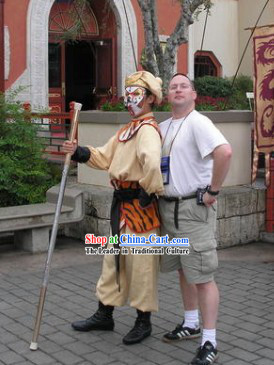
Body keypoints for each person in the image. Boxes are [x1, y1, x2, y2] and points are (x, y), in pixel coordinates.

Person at [62, 71, 164, 345]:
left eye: (137, 94)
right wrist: (79, 151)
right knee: (112, 260)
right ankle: (104, 314)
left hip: (140, 208)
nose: (131, 99)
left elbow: (153, 164)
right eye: (128, 94)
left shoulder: (147, 131)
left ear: (151, 99)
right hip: (121, 207)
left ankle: (144, 322)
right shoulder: (126, 130)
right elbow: (105, 156)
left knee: (141, 264)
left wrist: (147, 191)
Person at [158, 73, 232, 365]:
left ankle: (210, 341)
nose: (177, 89)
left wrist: (213, 190)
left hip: (193, 210)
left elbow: (225, 152)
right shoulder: (163, 126)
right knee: (183, 270)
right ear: (167, 95)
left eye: (183, 86)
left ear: (194, 94)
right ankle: (190, 323)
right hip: (168, 209)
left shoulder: (199, 122)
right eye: (173, 86)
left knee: (202, 275)